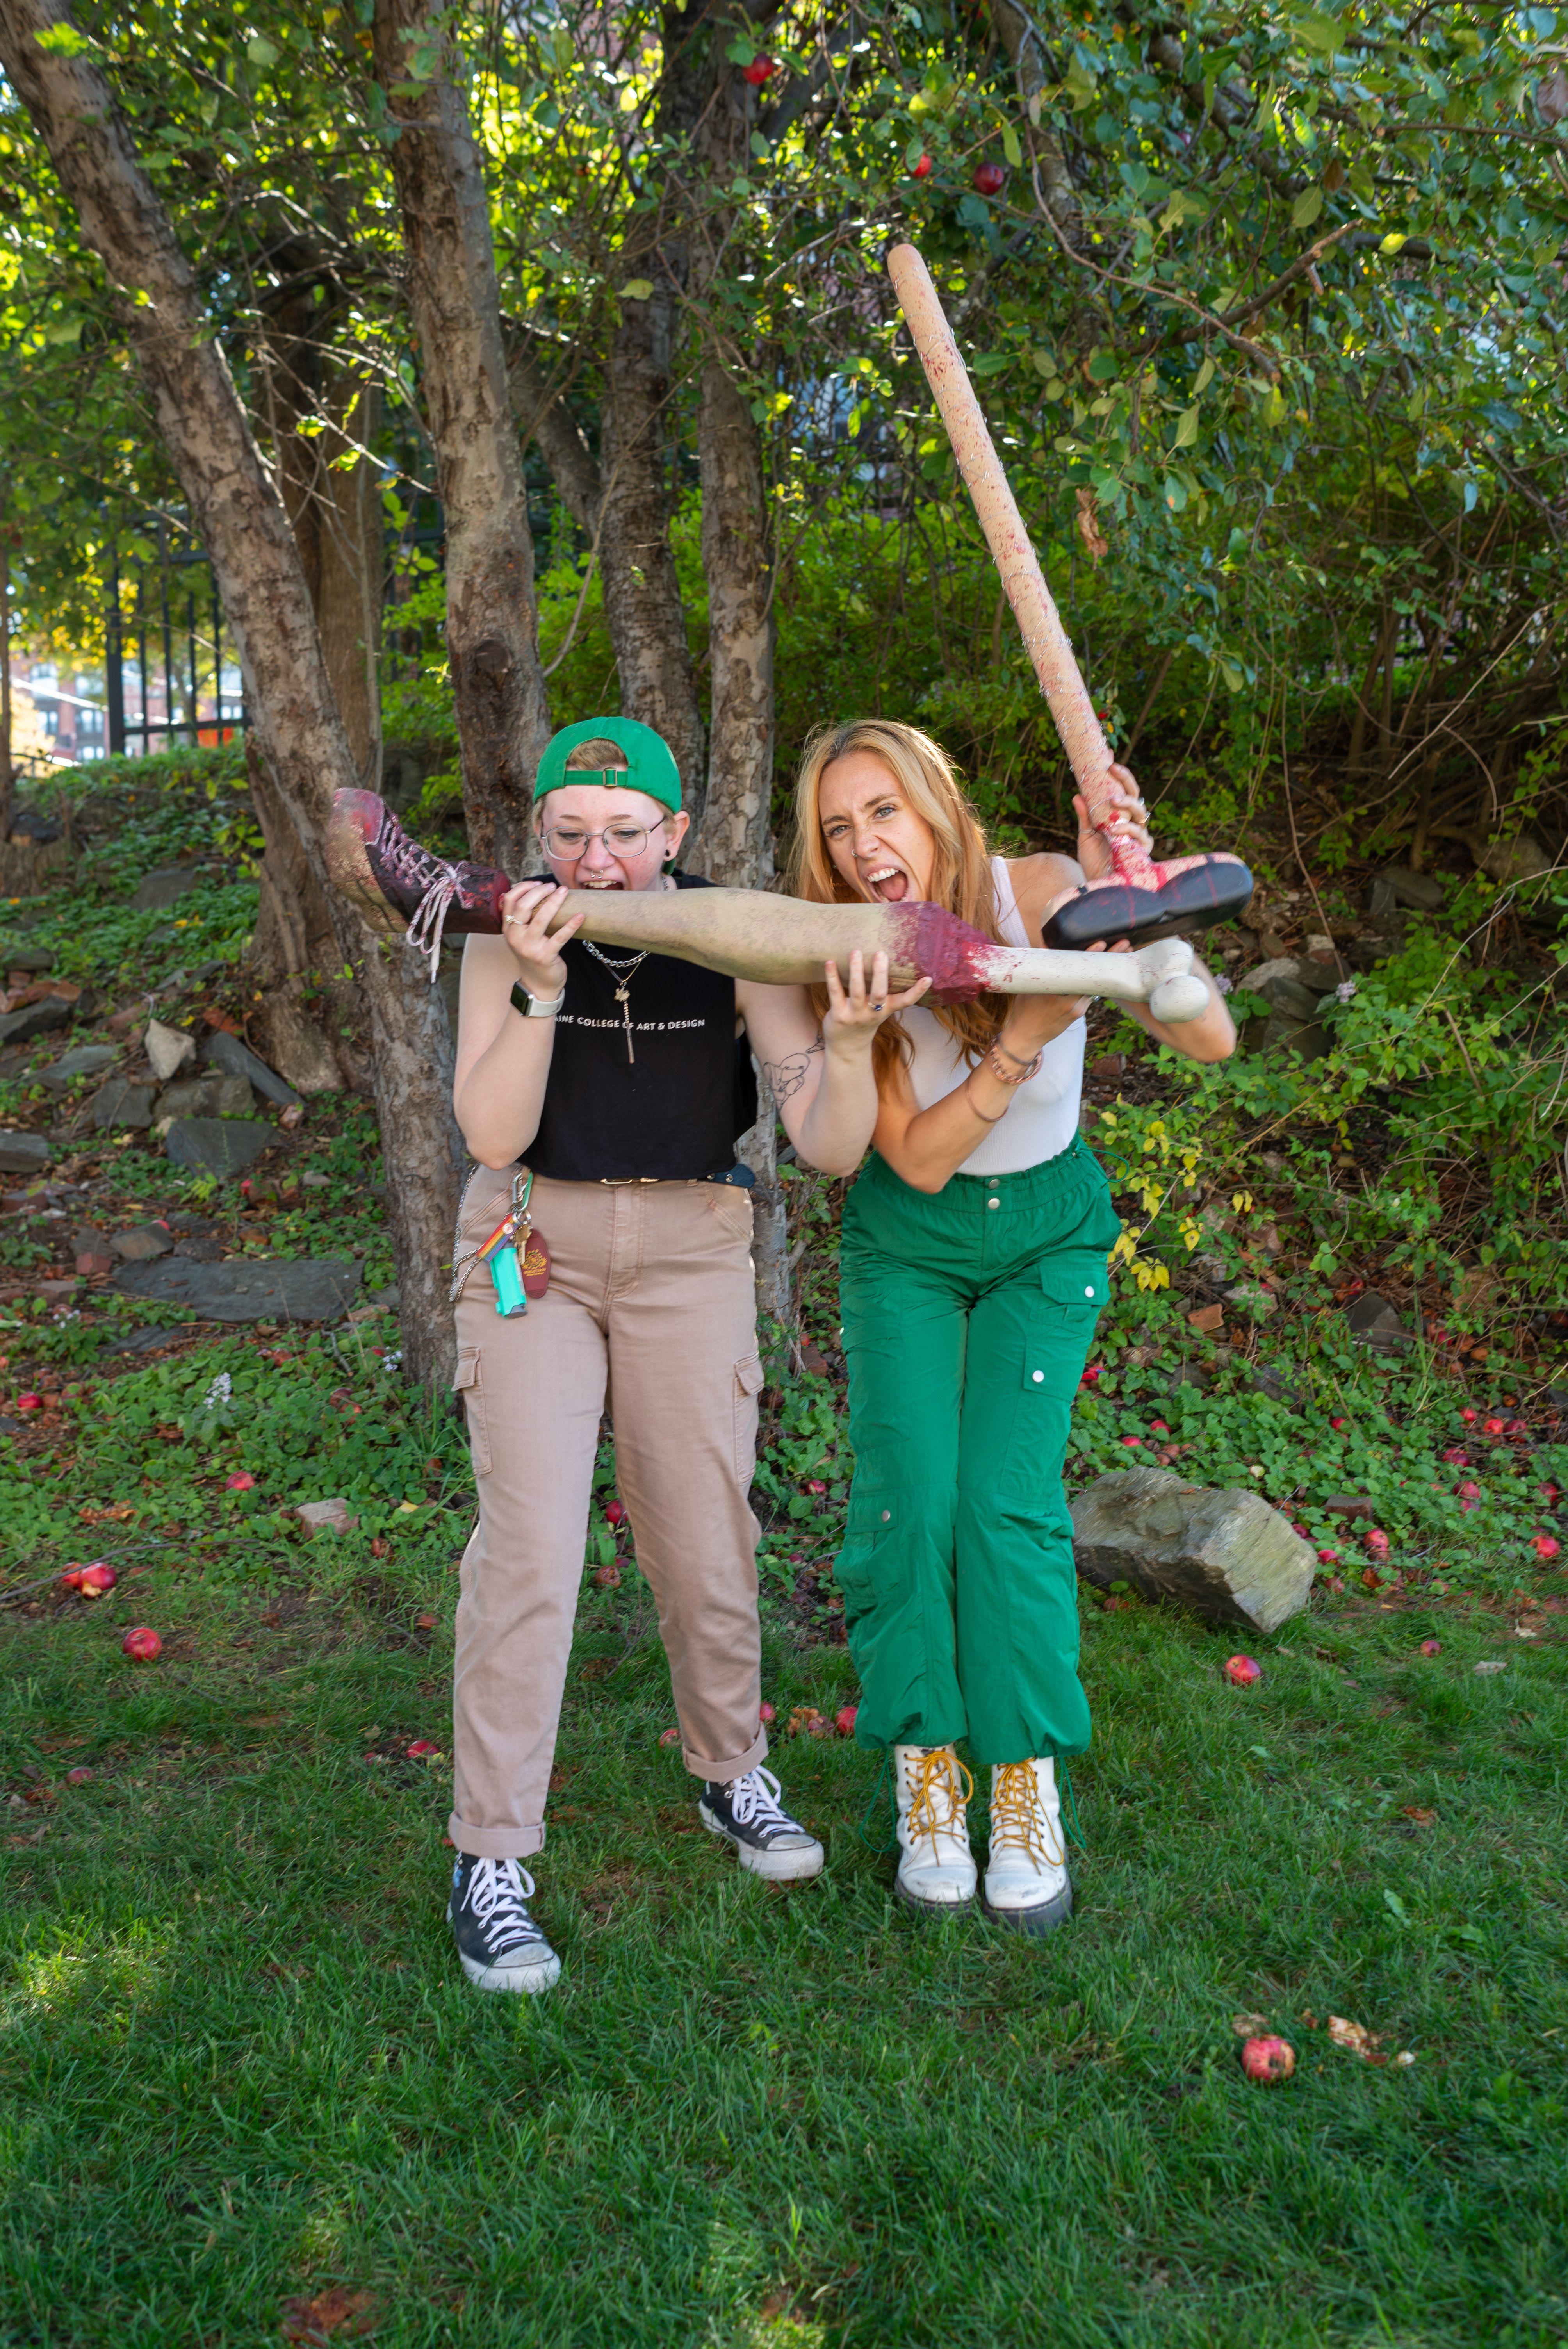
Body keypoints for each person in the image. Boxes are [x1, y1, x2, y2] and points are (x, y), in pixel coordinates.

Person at [445, 715, 926, 1993]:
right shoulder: (507, 925)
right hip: (532, 1239)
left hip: (690, 1243)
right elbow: (492, 1129)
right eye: (569, 834)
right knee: (532, 1550)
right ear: (539, 832)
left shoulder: (738, 930)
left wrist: (853, 1043)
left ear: (673, 834)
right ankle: (491, 1854)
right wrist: (540, 985)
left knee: (706, 1536)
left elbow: (824, 1143)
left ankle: (732, 1775)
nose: (595, 863)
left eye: (622, 836)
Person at [789, 719, 1237, 1934]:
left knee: (1005, 1502)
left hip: (1046, 1236)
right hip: (910, 1246)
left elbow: (1209, 1035)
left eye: (883, 810)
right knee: (915, 1499)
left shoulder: (1035, 891)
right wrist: (1024, 1043)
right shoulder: (848, 957)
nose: (865, 843)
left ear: (937, 802)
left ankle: (1023, 1774)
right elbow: (918, 1163)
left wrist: (1126, 907)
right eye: (839, 827)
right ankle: (928, 1764)